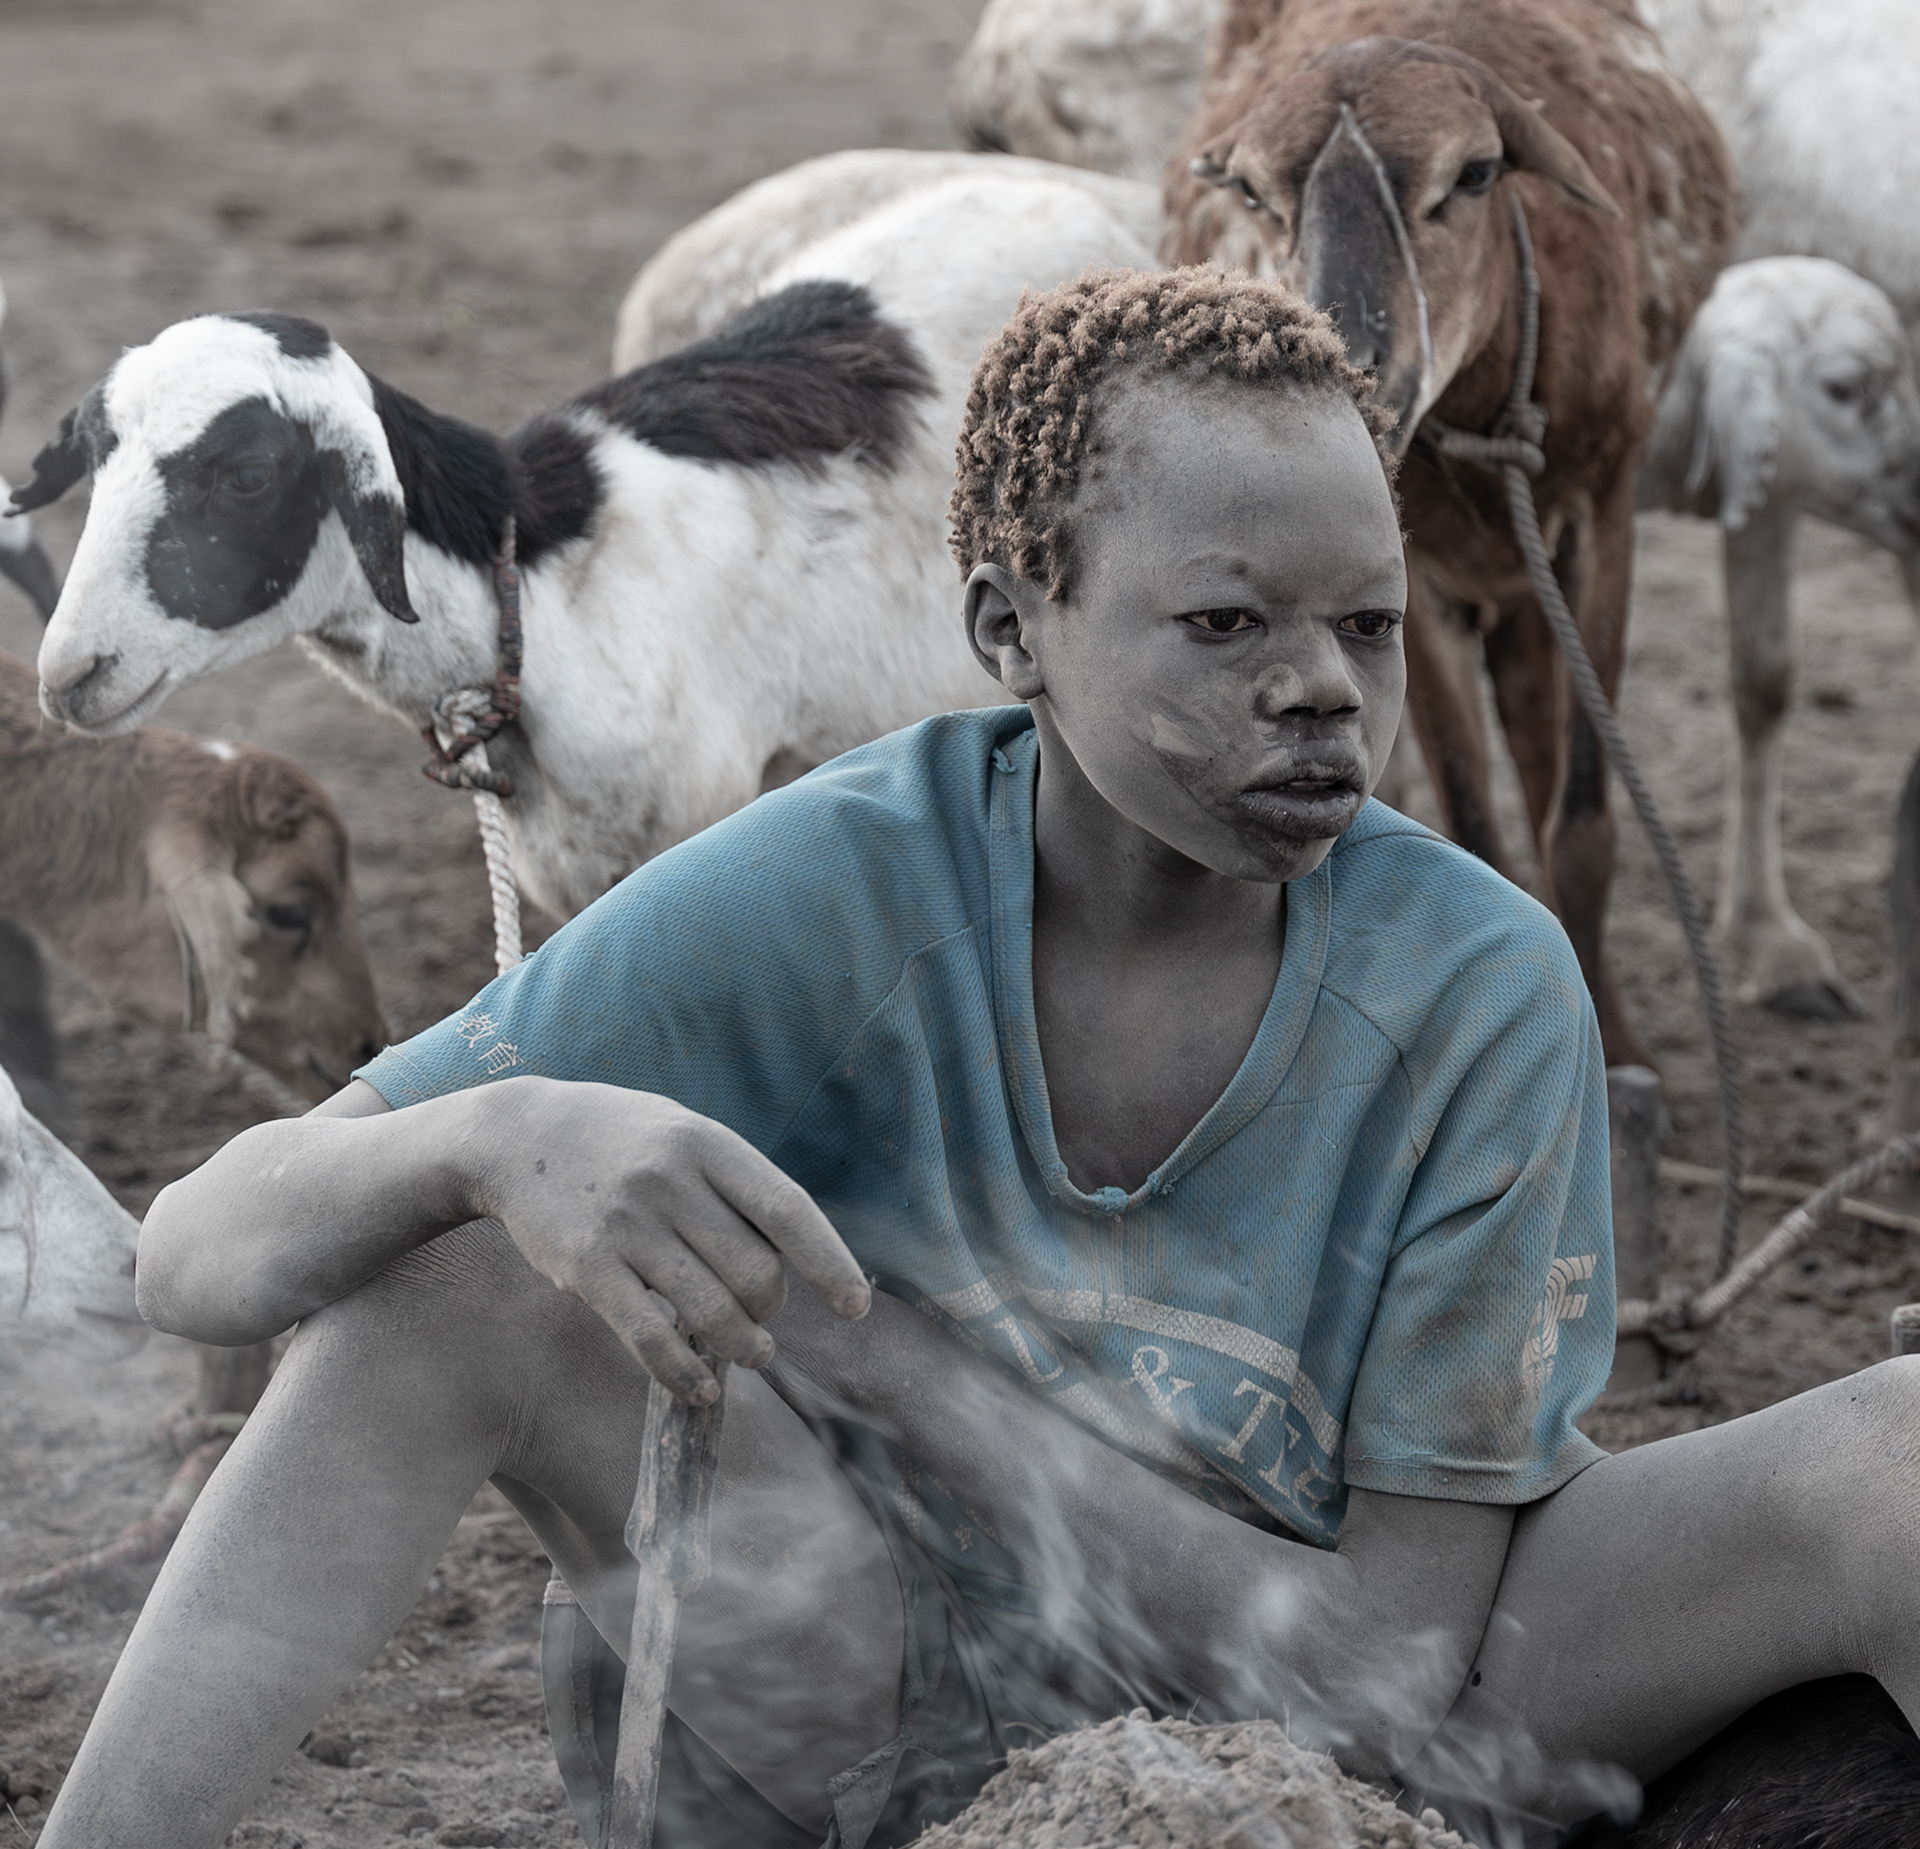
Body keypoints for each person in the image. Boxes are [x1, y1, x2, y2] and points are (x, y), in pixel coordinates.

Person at [42, 268, 1920, 1849]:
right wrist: (497, 1138)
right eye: (1223, 623)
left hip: (1371, 1680)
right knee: (449, 1275)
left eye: (1365, 625)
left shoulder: (1483, 984)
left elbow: (1381, 1676)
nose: (1319, 690)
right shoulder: (835, 884)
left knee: (1899, 1446)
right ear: (1012, 626)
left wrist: (885, 1357)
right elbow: (192, 1252)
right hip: (888, 1667)